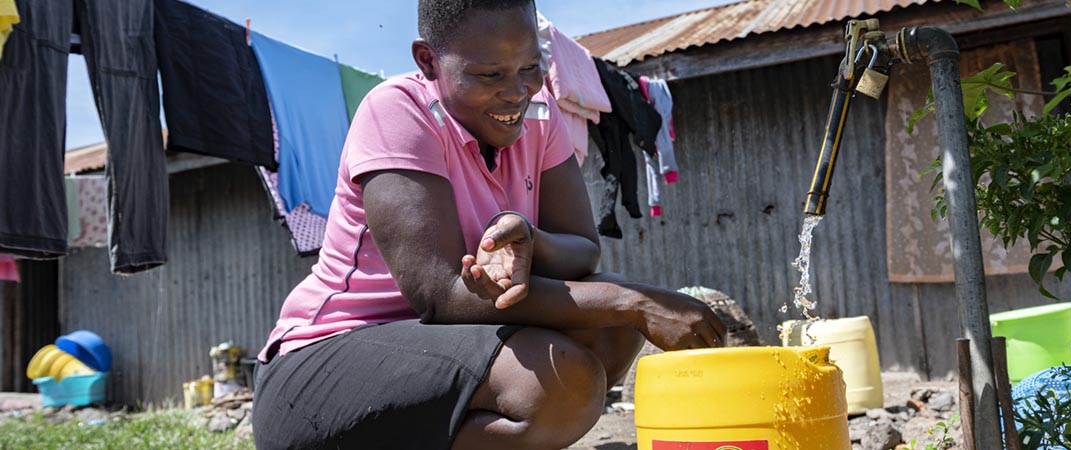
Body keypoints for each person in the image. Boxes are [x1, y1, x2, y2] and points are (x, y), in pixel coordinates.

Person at [251, 1, 727, 449]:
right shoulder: (398, 111)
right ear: (429, 61)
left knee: (610, 329)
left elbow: (584, 248)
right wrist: (634, 302)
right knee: (565, 378)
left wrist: (530, 238)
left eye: (530, 67)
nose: (517, 91)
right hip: (320, 369)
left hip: (440, 353)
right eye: (489, 74)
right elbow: (441, 295)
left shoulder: (539, 117)